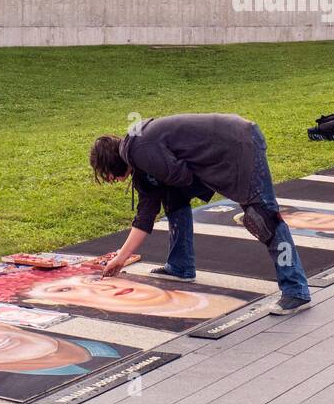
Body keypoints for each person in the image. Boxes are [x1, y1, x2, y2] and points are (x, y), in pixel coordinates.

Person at [89, 113, 311, 315]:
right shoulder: (137, 153)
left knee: (264, 218)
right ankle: (180, 266)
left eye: (106, 174)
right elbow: (146, 215)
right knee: (173, 197)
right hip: (225, 147)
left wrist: (120, 258)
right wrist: (121, 257)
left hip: (239, 144)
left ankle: (296, 290)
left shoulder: (139, 150)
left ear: (111, 163)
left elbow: (182, 177)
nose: (110, 180)